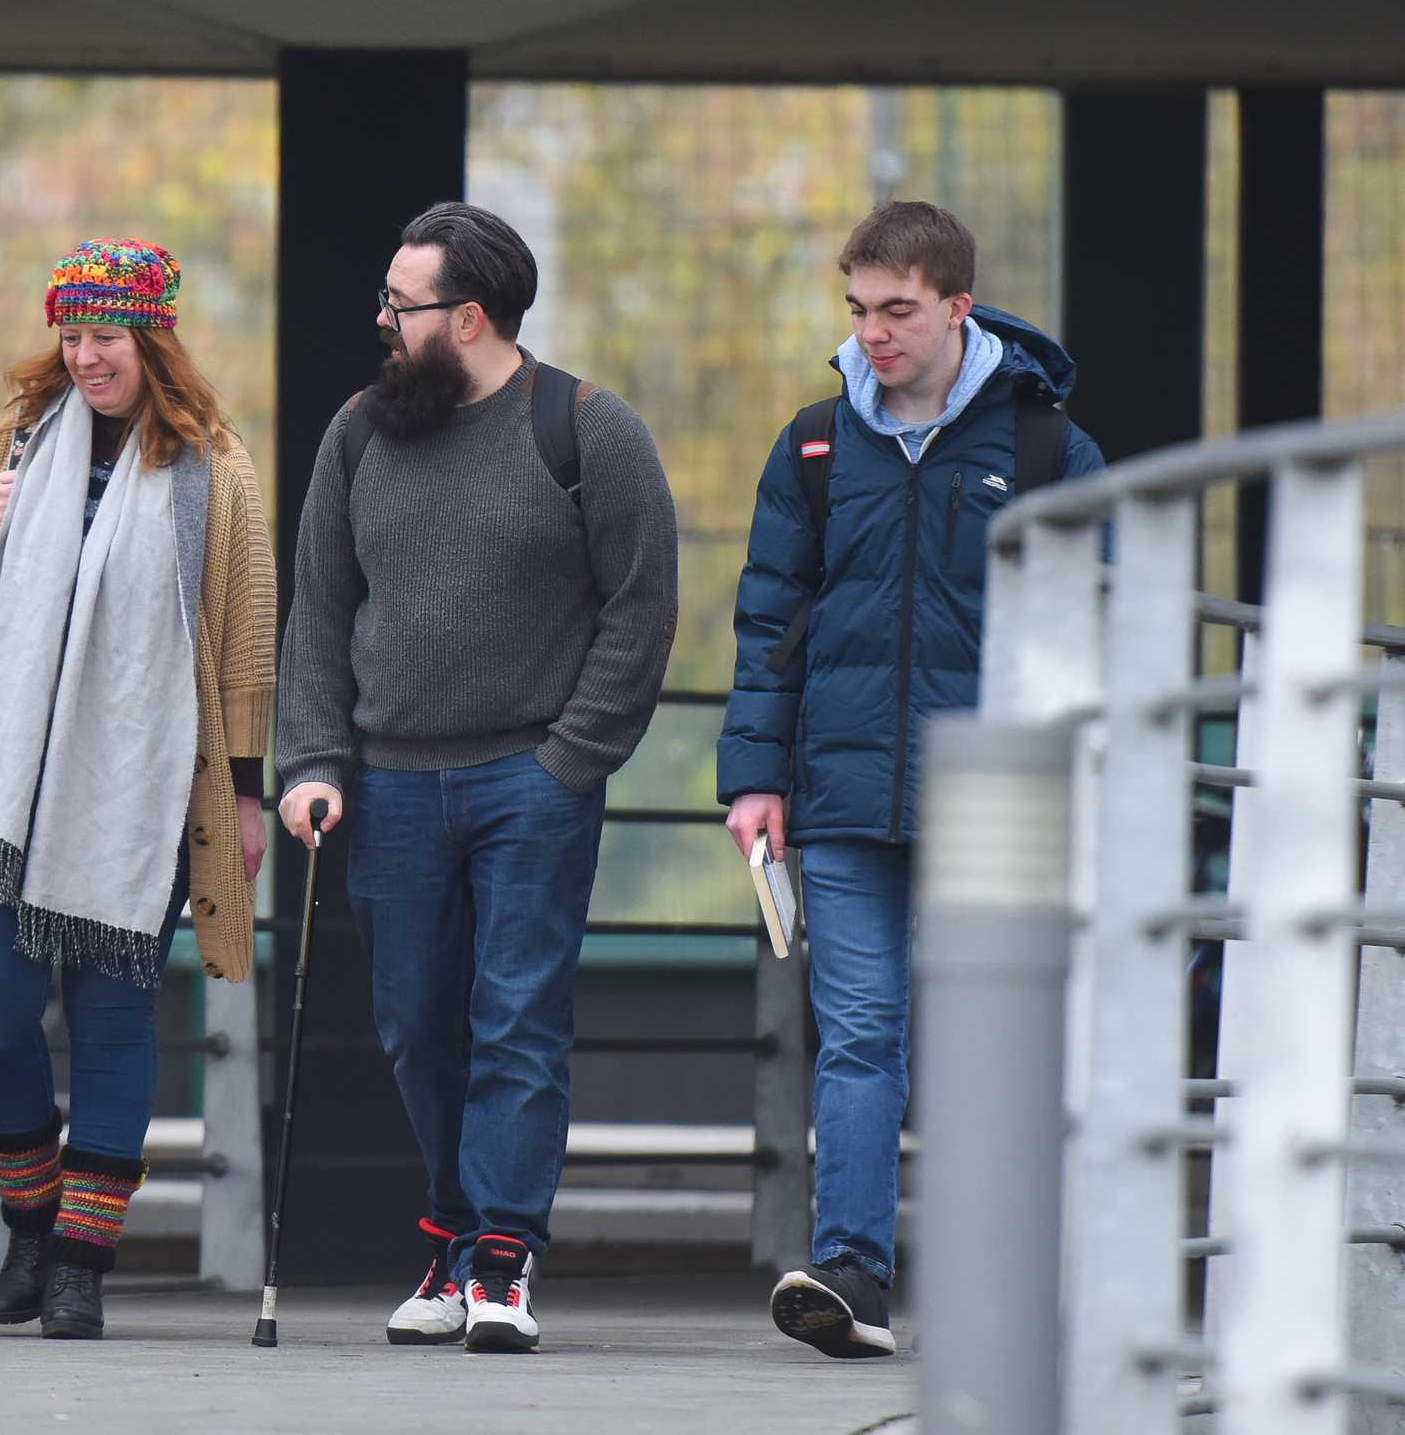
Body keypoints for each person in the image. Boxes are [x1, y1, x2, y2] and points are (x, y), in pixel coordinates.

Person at [278, 201, 679, 1354]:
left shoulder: (590, 432)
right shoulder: (359, 433)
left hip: (528, 782)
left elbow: (641, 609)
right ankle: (452, 1235)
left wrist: (568, 764)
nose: (381, 322)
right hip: (392, 785)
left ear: (466, 316)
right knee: (414, 1024)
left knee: (516, 1019)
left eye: (399, 306)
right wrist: (311, 758)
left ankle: (501, 1258)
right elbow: (318, 611)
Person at [719, 199, 1101, 1360]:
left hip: (992, 796)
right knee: (862, 1035)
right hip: (837, 801)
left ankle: (1005, 1280)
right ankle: (852, 1276)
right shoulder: (815, 444)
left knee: (994, 1035)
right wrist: (754, 779)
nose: (873, 333)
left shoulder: (1044, 449)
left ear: (955, 308)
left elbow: (1099, 620)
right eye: (858, 309)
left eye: (897, 310)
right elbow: (770, 622)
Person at [0, 238, 277, 1341]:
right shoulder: (23, 433)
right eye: (71, 335)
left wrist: (246, 794)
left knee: (115, 1011)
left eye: (104, 336)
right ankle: (29, 1212)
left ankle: (79, 1261)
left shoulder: (216, 470)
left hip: (140, 785)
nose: (84, 356)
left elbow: (246, 641)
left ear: (151, 341)